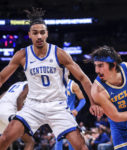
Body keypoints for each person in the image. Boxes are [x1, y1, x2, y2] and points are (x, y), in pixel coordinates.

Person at [0, 7, 102, 150]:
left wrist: (93, 102)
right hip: (32, 106)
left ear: (47, 33)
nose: (39, 36)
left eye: (42, 32)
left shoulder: (59, 54)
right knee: (4, 138)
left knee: (81, 146)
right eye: (35, 33)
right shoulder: (22, 55)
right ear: (30, 35)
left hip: (57, 106)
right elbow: (2, 78)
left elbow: (83, 78)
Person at [90, 45, 127, 150]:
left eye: (100, 65)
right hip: (117, 121)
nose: (96, 70)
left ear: (113, 65)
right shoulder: (97, 90)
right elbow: (116, 116)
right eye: (95, 66)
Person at [55, 73, 86, 150]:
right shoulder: (54, 84)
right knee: (58, 139)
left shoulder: (72, 84)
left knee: (71, 140)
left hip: (69, 116)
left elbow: (83, 100)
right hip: (58, 114)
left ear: (68, 72)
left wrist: (77, 110)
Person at [0, 81, 35, 150]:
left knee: (4, 142)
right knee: (30, 142)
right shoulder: (31, 84)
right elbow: (20, 99)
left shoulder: (16, 84)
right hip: (9, 112)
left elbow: (1, 96)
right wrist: (20, 119)